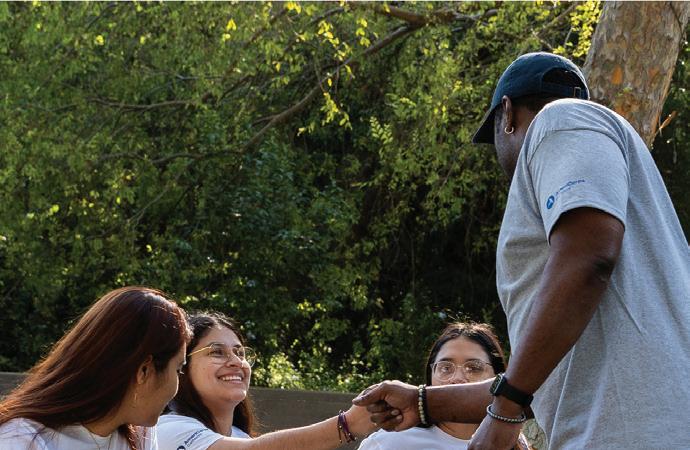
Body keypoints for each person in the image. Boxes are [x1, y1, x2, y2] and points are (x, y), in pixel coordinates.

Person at [353, 52, 690, 449]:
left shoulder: (560, 120)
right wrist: (424, 403)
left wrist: (505, 409)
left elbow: (588, 257)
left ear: (507, 114)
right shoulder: (643, 226)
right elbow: (540, 381)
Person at [0, 286, 191, 450]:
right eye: (177, 370)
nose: (177, 387)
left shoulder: (139, 434)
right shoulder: (21, 441)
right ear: (144, 370)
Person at [157, 311, 377, 450]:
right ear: (182, 366)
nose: (236, 361)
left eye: (240, 353)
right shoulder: (167, 431)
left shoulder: (241, 436)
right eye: (217, 352)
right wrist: (348, 424)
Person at [358, 322, 530, 450]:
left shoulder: (516, 443)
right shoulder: (390, 444)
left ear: (497, 377)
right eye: (446, 368)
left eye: (473, 368)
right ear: (430, 376)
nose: (458, 378)